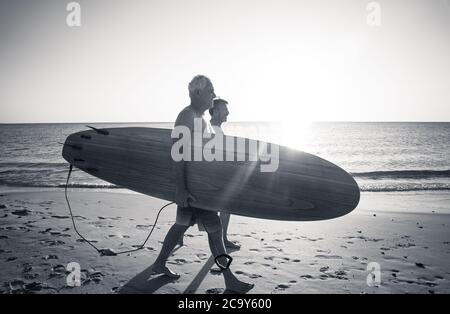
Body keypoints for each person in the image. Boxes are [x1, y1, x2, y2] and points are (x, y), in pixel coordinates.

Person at [149, 75, 253, 294]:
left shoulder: (200, 119)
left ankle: (159, 263)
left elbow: (202, 155)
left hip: (197, 188)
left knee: (181, 225)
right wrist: (181, 188)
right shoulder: (187, 116)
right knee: (215, 232)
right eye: (210, 91)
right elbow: (177, 153)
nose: (213, 95)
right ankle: (230, 281)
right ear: (197, 93)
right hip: (193, 190)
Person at [209, 98, 240, 250]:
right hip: (212, 179)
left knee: (225, 208)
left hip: (217, 177)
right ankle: (223, 240)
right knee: (223, 208)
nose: (228, 112)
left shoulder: (216, 128)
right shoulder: (210, 128)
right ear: (214, 110)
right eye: (224, 109)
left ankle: (224, 238)